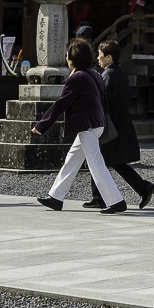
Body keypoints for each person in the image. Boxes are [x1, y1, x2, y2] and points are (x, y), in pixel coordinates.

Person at [31, 37, 126, 214]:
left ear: (72, 58)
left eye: (67, 55)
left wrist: (41, 125)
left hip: (87, 126)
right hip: (95, 123)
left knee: (96, 164)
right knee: (72, 160)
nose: (66, 58)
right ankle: (55, 197)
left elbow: (61, 104)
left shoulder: (77, 77)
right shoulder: (94, 74)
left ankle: (116, 200)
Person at [84, 40, 154, 210]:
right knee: (110, 160)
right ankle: (102, 195)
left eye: (101, 55)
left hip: (111, 125)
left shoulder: (107, 75)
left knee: (100, 159)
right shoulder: (120, 73)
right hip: (120, 121)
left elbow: (103, 101)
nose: (98, 58)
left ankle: (141, 187)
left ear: (109, 57)